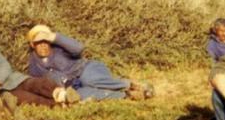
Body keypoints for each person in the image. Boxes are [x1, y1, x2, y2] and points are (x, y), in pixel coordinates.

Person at [0, 28, 78, 111]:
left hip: (14, 79)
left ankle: (63, 95)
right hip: (2, 93)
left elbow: (4, 66)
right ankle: (60, 106)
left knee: (39, 83)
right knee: (25, 98)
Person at [26, 24, 154, 101]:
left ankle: (132, 85)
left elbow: (78, 49)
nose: (43, 46)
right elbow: (39, 84)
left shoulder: (59, 48)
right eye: (38, 43)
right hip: (72, 86)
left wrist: (53, 37)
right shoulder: (33, 64)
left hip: (86, 69)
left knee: (89, 80)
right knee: (79, 95)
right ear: (32, 45)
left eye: (45, 42)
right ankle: (127, 95)